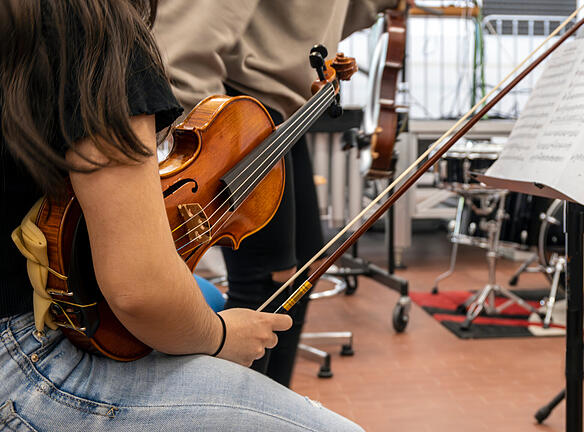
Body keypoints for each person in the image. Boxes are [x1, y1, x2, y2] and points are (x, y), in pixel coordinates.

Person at [0, 0, 362, 430]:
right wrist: (221, 336)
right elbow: (141, 291)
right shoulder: (91, 23)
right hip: (19, 361)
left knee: (203, 297)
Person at [153, 0, 398, 387]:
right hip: (242, 109)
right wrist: (215, 139)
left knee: (301, 271)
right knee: (268, 281)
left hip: (281, 115)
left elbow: (310, 18)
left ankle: (271, 404)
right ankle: (236, 414)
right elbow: (182, 49)